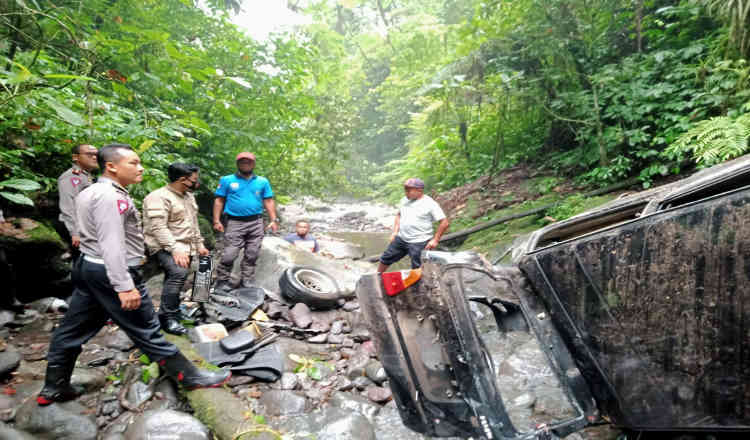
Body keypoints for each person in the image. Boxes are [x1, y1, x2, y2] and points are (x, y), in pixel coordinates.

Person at [38, 144, 229, 406]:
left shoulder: (93, 190)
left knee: (71, 330)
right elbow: (112, 243)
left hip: (92, 267)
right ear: (112, 166)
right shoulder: (112, 197)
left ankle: (53, 388)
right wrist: (124, 284)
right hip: (114, 268)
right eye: (134, 163)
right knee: (148, 329)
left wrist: (199, 245)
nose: (140, 168)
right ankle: (190, 375)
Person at [143, 163, 209, 335]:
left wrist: (199, 244)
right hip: (163, 245)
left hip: (187, 245)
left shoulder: (188, 196)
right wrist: (174, 249)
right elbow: (158, 228)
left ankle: (181, 309)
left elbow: (193, 224)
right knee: (178, 273)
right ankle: (168, 318)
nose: (197, 182)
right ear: (182, 180)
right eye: (194, 180)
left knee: (204, 267)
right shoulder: (158, 197)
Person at [212, 152, 279, 291]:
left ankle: (247, 280)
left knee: (252, 253)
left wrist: (273, 219)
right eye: (242, 162)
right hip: (234, 222)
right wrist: (216, 220)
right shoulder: (227, 180)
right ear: (237, 164)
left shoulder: (262, 181)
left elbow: (268, 200)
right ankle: (222, 280)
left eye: (249, 162)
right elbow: (219, 200)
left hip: (256, 222)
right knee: (230, 254)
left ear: (253, 164)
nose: (246, 164)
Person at [377, 178, 450, 273]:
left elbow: (444, 223)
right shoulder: (404, 200)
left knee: (418, 267)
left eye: (409, 190)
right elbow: (399, 215)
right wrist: (395, 232)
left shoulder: (430, 204)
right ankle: (377, 276)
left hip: (419, 241)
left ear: (419, 190)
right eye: (405, 190)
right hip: (401, 238)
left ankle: (420, 285)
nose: (406, 193)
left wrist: (435, 240)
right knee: (385, 258)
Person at [58, 144, 99, 252]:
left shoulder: (86, 176)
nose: (94, 157)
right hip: (75, 228)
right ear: (75, 157)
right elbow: (68, 206)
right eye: (89, 154)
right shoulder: (72, 177)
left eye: (96, 154)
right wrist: (74, 232)